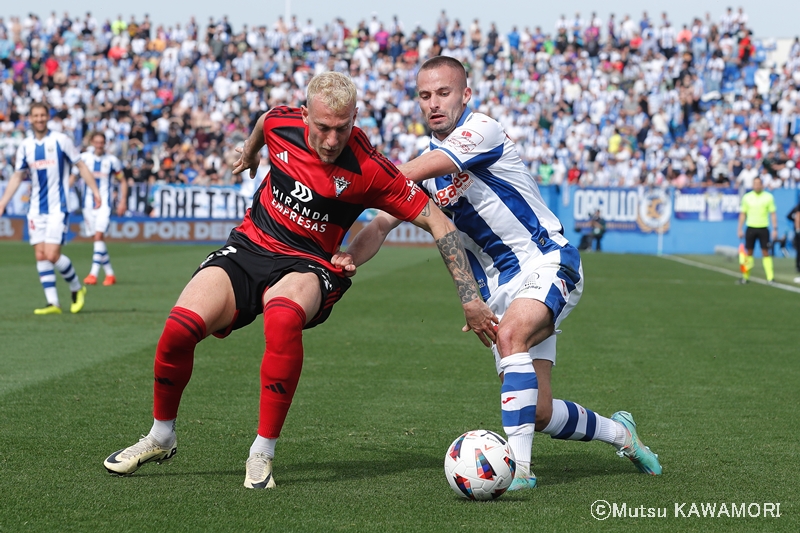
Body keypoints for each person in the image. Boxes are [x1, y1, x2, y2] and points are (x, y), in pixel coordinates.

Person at [102, 72, 497, 489]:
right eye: (323, 127)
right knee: (178, 330)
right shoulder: (282, 124)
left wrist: (470, 298)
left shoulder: (369, 167)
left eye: (343, 128)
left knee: (283, 318)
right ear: (305, 115)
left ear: (355, 118)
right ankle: (161, 437)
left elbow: (438, 221)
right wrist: (250, 152)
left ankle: (262, 452)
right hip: (250, 246)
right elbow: (264, 121)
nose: (332, 139)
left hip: (308, 264)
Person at [335, 57, 662, 491]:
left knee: (510, 336)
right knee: (538, 412)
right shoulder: (423, 168)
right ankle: (622, 435)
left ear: (465, 95)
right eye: (425, 96)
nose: (434, 104)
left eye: (444, 93)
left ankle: (520, 472)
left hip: (546, 261)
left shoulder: (481, 130)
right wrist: (349, 256)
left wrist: (353, 182)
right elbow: (380, 225)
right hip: (499, 292)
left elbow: (411, 173)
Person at [0, 102, 101, 315]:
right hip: (36, 208)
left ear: (48, 117)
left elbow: (80, 165)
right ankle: (53, 303)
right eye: (35, 116)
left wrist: (95, 191)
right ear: (30, 119)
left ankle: (76, 288)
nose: (39, 119)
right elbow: (17, 176)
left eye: (42, 115)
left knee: (52, 254)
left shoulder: (61, 140)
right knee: (40, 255)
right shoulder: (26, 146)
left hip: (58, 207)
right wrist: (2, 203)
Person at [79, 132, 128, 286]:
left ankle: (93, 274)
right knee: (97, 239)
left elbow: (122, 181)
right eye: (97, 142)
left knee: (99, 236)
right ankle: (110, 274)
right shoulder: (84, 159)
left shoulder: (112, 161)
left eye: (102, 142)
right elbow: (73, 176)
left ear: (105, 143)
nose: (99, 145)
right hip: (88, 205)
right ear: (92, 143)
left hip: (105, 205)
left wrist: (123, 201)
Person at [737, 176, 778, 284]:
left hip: (763, 227)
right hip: (751, 227)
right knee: (749, 252)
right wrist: (739, 229)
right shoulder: (747, 197)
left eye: (759, 183)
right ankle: (745, 277)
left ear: (762, 184)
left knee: (765, 252)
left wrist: (775, 228)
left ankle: (770, 278)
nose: (757, 185)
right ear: (752, 185)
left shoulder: (768, 197)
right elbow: (743, 214)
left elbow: (773, 213)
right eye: (755, 183)